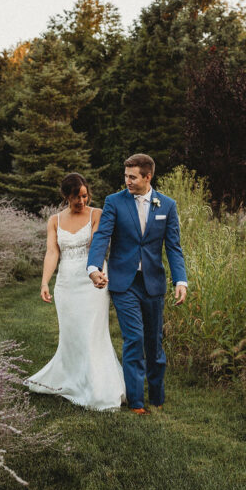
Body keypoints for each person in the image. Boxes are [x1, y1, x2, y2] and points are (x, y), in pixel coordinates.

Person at [87, 153, 187, 413]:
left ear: (147, 177)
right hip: (124, 283)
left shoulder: (167, 205)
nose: (127, 181)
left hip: (153, 283)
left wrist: (181, 280)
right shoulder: (114, 202)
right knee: (134, 338)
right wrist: (93, 267)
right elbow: (102, 237)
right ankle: (136, 401)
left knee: (154, 343)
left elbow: (174, 248)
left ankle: (156, 395)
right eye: (126, 176)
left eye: (132, 177)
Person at [25, 172, 126, 410]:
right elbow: (52, 252)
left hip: (93, 282)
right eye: (75, 197)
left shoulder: (97, 214)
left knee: (92, 334)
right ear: (65, 197)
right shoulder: (55, 221)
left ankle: (99, 389)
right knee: (71, 336)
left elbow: (98, 244)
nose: (81, 201)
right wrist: (44, 282)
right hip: (66, 285)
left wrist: (97, 271)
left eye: (84, 195)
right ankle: (72, 380)